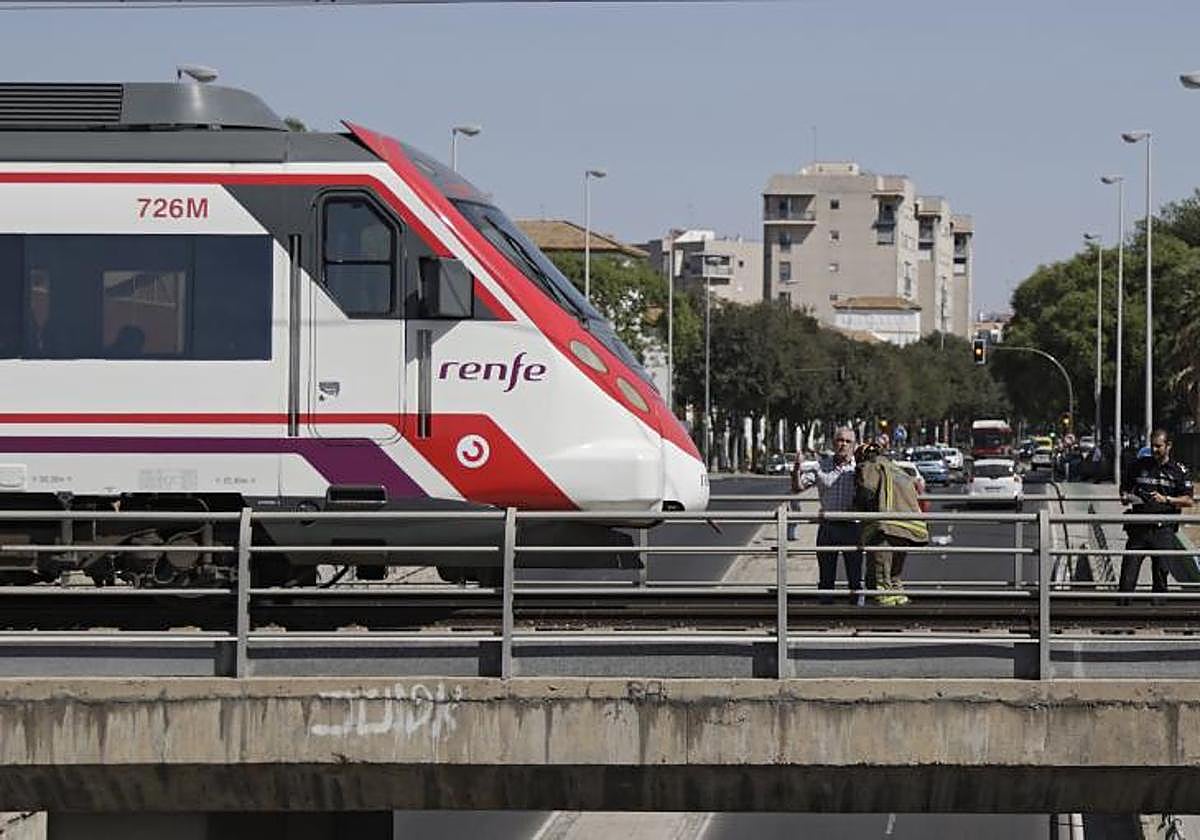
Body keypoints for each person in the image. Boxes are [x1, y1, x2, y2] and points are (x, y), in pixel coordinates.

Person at [1118, 429, 1194, 601]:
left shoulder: (1179, 471)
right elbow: (1125, 488)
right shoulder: (1138, 466)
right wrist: (1124, 496)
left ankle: (1157, 615)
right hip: (1138, 528)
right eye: (1152, 446)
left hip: (1163, 530)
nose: (1154, 450)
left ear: (1168, 446)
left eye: (1158, 446)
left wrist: (1166, 499)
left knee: (1160, 576)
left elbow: (1188, 500)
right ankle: (1121, 614)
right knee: (1128, 576)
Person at [792, 427, 862, 605]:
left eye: (848, 441)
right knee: (826, 577)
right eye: (840, 440)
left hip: (852, 527)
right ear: (833, 443)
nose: (843, 445)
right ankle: (826, 616)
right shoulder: (821, 466)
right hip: (828, 527)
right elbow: (798, 488)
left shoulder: (860, 468)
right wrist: (796, 469)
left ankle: (858, 616)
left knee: (855, 577)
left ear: (854, 445)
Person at [855, 442, 929, 606]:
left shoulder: (872, 465)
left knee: (881, 574)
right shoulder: (898, 471)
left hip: (887, 528)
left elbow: (867, 491)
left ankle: (883, 610)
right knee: (895, 573)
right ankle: (899, 602)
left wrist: (856, 506)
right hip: (908, 529)